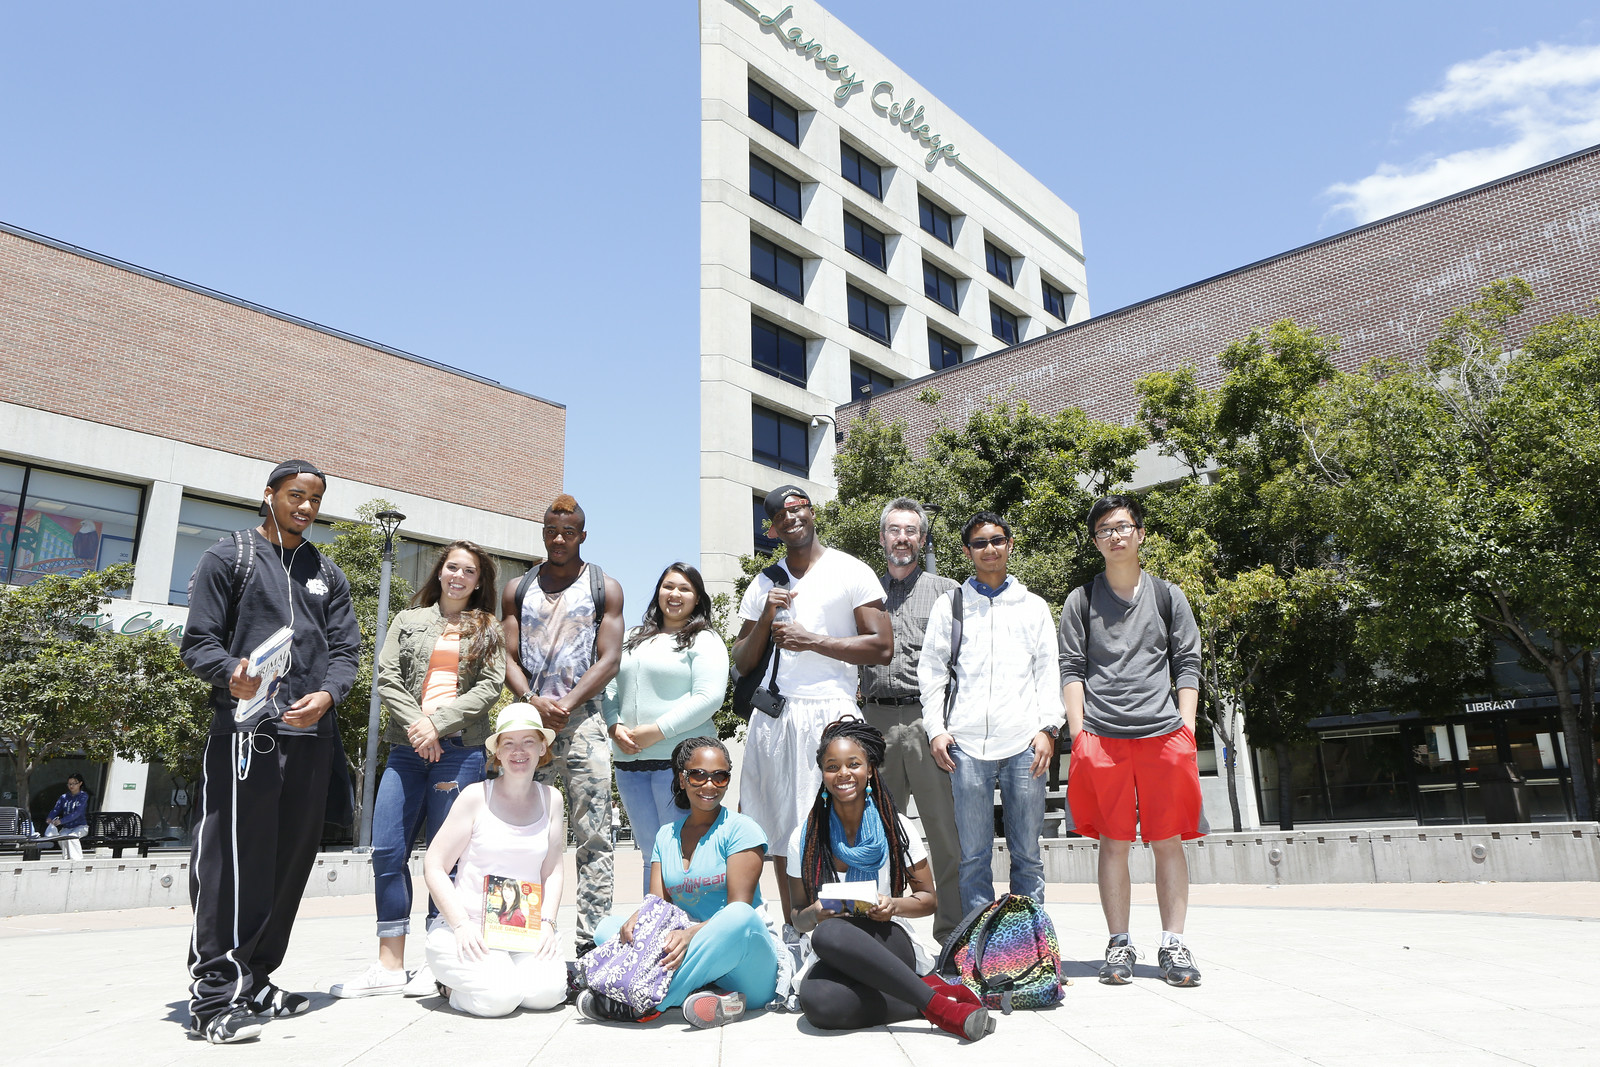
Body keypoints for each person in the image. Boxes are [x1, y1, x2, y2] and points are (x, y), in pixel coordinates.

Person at [179, 460, 362, 1044]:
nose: (306, 508)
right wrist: (229, 670)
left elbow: (346, 653)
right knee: (233, 863)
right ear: (269, 496)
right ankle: (213, 996)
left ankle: (255, 977)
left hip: (310, 738)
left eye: (315, 500)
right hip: (245, 736)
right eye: (295, 496)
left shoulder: (326, 574)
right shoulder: (228, 557)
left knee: (288, 865)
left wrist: (329, 695)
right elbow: (197, 642)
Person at [332, 541, 506, 999]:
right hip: (407, 749)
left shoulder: (488, 627)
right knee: (388, 848)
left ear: (478, 581)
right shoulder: (410, 620)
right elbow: (386, 675)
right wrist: (418, 725)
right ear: (440, 572)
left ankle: (437, 958)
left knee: (448, 857)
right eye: (452, 567)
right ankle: (390, 965)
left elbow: (490, 686)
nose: (459, 576)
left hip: (460, 750)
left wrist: (438, 723)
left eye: (469, 571)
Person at [1059, 494, 1205, 988]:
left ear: (1140, 533)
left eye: (1123, 527)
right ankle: (1118, 943)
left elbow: (1188, 663)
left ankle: (1173, 945)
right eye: (1105, 530)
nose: (1115, 536)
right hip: (1103, 738)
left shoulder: (1169, 596)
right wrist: (1080, 735)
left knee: (1168, 843)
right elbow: (1071, 669)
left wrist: (1186, 728)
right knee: (1113, 845)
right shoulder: (1080, 600)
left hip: (1164, 737)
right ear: (1095, 541)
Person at [732, 484, 892, 920]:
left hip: (832, 712)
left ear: (812, 511)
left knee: (847, 820)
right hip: (777, 717)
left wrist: (813, 641)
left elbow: (882, 647)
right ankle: (797, 928)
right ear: (773, 527)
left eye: (798, 508)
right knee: (785, 829)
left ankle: (856, 927)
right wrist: (766, 616)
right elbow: (742, 662)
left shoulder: (851, 570)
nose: (791, 518)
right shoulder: (765, 581)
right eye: (781, 515)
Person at [787, 719, 992, 1042]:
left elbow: (928, 899)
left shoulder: (897, 827)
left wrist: (893, 905)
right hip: (835, 949)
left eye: (853, 764)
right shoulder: (805, 837)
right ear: (823, 774)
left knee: (828, 933)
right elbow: (797, 917)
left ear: (869, 769)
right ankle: (932, 997)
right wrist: (815, 911)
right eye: (832, 766)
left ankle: (943, 1013)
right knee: (819, 1004)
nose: (843, 774)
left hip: (888, 939)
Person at [918, 511, 1064, 917]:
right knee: (973, 858)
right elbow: (930, 671)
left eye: (997, 540)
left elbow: (1048, 671)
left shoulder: (1033, 607)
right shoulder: (952, 605)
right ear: (968, 551)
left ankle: (1031, 951)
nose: (989, 549)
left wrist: (1048, 729)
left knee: (1027, 856)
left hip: (1024, 745)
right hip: (965, 748)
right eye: (980, 543)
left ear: (1009, 545)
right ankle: (979, 955)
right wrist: (937, 730)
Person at [580, 737, 780, 1029]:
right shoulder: (666, 835)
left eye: (720, 776)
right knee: (609, 929)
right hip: (687, 952)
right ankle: (714, 998)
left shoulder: (741, 829)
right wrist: (639, 919)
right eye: (698, 774)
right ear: (682, 778)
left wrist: (691, 936)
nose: (709, 785)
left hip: (744, 957)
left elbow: (740, 907)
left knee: (739, 915)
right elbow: (658, 906)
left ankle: (642, 1002)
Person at [501, 493, 624, 955]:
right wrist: (533, 700)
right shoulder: (517, 587)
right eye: (551, 531)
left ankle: (593, 944)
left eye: (568, 532)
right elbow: (506, 656)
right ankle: (516, 935)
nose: (558, 539)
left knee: (595, 835)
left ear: (582, 536)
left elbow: (610, 658)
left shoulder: (604, 586)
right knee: (518, 831)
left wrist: (567, 703)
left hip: (584, 723)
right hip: (527, 726)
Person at [421, 706, 568, 1018]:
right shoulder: (475, 797)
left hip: (522, 930)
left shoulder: (552, 799)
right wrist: (460, 925)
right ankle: (451, 988)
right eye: (509, 743)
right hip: (467, 930)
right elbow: (434, 864)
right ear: (497, 752)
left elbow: (553, 869)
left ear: (543, 747)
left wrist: (547, 924)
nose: (518, 751)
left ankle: (497, 975)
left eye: (528, 741)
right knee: (500, 999)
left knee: (546, 994)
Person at [859, 497, 962, 944]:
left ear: (922, 538)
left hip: (928, 722)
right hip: (873, 722)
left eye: (911, 531)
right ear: (882, 538)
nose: (902, 538)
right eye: (894, 530)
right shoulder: (865, 595)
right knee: (875, 832)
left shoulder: (947, 591)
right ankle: (881, 935)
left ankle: (952, 936)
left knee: (944, 834)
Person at [603, 563, 729, 893]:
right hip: (629, 762)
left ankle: (688, 932)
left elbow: (709, 697)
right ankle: (653, 932)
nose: (674, 594)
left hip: (679, 763)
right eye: (668, 586)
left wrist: (657, 731)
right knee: (651, 854)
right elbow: (609, 687)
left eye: (684, 589)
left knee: (684, 852)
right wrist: (614, 725)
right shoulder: (632, 637)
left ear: (697, 598)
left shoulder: (705, 639)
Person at [42, 773, 91, 860]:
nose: (71, 786)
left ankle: (77, 860)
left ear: (80, 783)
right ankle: (66, 859)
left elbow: (77, 813)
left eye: (74, 783)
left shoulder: (83, 796)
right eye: (69, 784)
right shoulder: (64, 797)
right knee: (62, 837)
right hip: (67, 828)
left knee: (72, 837)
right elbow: (56, 809)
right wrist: (50, 817)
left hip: (80, 827)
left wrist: (61, 821)